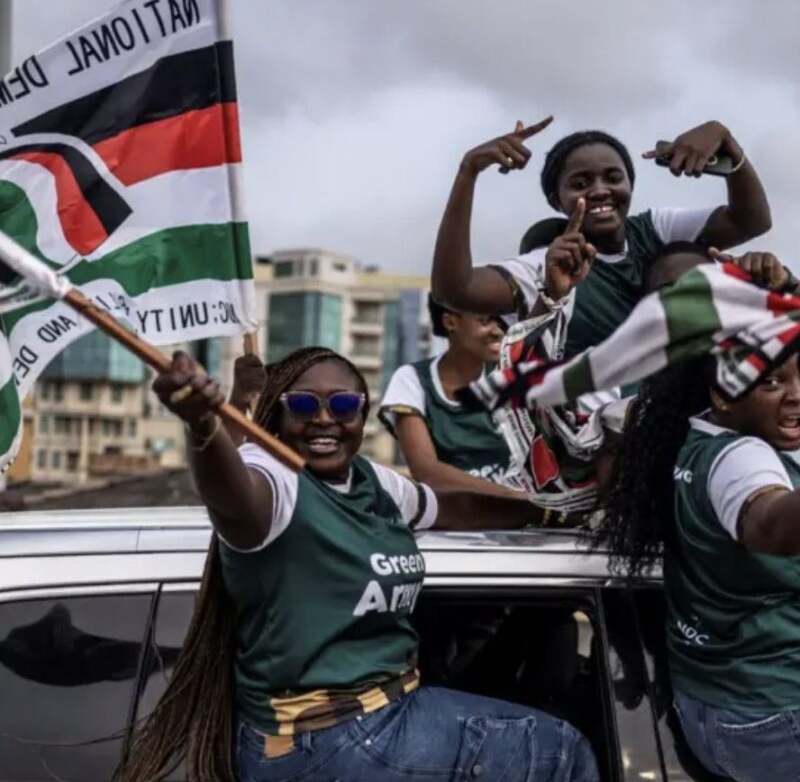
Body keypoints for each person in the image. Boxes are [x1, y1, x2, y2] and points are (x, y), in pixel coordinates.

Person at [115, 346, 599, 782]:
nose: (324, 419)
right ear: (279, 416)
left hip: (373, 722)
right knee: (567, 751)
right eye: (304, 406)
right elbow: (232, 495)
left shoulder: (370, 482)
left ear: (362, 415)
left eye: (343, 406)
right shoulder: (277, 485)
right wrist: (203, 425)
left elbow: (454, 508)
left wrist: (548, 509)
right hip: (333, 736)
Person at [596, 351, 800, 782]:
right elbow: (768, 525)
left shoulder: (702, 434)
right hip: (772, 715)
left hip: (715, 705)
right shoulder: (740, 460)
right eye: (771, 383)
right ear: (723, 395)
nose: (795, 395)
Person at [432, 118, 772, 357]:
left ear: (630, 185)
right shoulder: (550, 264)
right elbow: (454, 290)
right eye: (580, 184)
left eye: (613, 178)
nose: (600, 191)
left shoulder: (655, 229)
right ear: (556, 200)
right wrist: (468, 172)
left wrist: (728, 144)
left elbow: (750, 220)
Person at [380, 295, 520, 498]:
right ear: (450, 322)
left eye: (502, 321)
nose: (498, 331)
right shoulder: (412, 380)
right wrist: (513, 497)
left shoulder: (511, 377)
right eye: (485, 320)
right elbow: (427, 472)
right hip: (451, 519)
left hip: (519, 522)